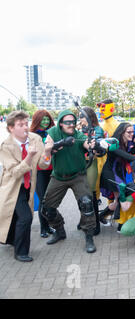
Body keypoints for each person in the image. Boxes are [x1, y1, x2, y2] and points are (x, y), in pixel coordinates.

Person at [40, 109, 98, 253]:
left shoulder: (78, 134)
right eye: (67, 122)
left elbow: (87, 144)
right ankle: (59, 230)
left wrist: (93, 145)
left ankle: (89, 237)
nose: (71, 125)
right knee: (47, 209)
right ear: (60, 123)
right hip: (59, 176)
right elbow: (47, 148)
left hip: (78, 176)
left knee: (86, 204)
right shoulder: (53, 132)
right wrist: (61, 143)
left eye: (73, 122)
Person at [0, 111, 52, 262]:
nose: (25, 127)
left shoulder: (35, 139)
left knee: (16, 215)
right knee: (26, 217)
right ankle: (21, 251)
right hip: (12, 187)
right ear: (11, 128)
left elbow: (42, 164)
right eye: (20, 125)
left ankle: (9, 239)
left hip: (29, 185)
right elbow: (16, 173)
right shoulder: (5, 147)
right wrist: (29, 156)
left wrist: (48, 151)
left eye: (26, 124)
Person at [100, 123, 135, 231]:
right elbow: (125, 156)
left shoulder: (128, 142)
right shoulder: (114, 143)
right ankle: (121, 225)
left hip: (119, 172)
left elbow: (131, 153)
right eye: (129, 132)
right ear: (122, 132)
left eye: (132, 131)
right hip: (111, 173)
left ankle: (102, 216)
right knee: (122, 198)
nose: (132, 134)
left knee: (117, 200)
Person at [78, 106, 107, 235]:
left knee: (91, 194)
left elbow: (98, 146)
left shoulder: (97, 130)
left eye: (82, 116)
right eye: (79, 117)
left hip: (91, 163)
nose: (80, 119)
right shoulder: (79, 129)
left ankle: (95, 224)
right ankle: (84, 220)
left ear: (89, 117)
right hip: (79, 164)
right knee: (81, 195)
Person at [30, 110, 56, 238]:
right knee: (43, 200)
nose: (45, 121)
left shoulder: (51, 132)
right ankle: (43, 228)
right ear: (37, 120)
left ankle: (49, 225)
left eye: (47, 119)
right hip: (39, 171)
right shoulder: (32, 135)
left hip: (52, 170)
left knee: (50, 199)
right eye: (43, 119)